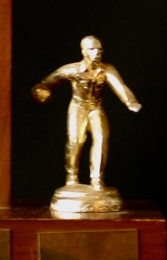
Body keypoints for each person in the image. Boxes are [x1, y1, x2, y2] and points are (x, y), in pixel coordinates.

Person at [32, 36, 141, 191]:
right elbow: (47, 82)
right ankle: (71, 177)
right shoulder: (72, 70)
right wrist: (41, 93)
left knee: (102, 138)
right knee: (75, 140)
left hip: (96, 107)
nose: (97, 52)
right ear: (83, 51)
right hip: (78, 107)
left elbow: (119, 86)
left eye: (99, 49)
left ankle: (96, 179)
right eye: (92, 49)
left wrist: (130, 102)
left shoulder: (106, 69)